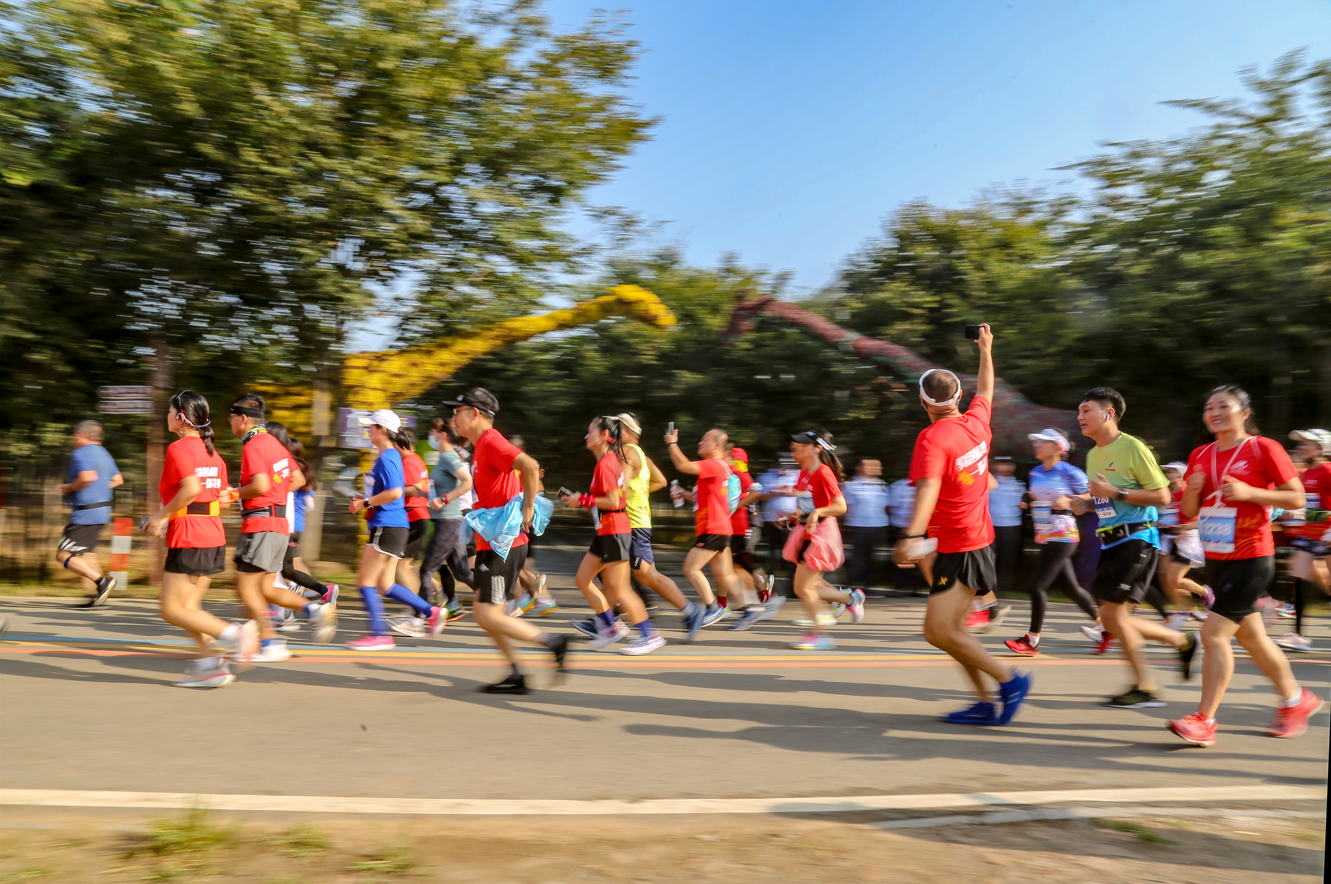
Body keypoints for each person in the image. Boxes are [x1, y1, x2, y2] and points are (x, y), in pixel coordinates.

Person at [1167, 386, 1323, 745]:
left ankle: (1204, 720)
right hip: (1217, 558)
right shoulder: (1200, 453)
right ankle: (1296, 701)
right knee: (1252, 638)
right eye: (1209, 407)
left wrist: (1253, 493)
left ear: (1244, 413)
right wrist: (1192, 491)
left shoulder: (1263, 448)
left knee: (1212, 634)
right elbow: (1188, 513)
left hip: (1253, 556)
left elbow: (1296, 497)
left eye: (1224, 405)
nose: (1214, 412)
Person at [894, 324, 1031, 726]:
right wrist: (986, 348)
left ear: (923, 400)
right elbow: (985, 391)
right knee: (954, 629)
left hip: (959, 545)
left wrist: (911, 535)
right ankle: (985, 702)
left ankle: (1009, 681)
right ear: (957, 397)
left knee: (938, 631)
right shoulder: (976, 422)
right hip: (969, 539)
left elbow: (929, 488)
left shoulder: (932, 438)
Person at [1068, 387, 1196, 709]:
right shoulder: (1093, 453)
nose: (1079, 417)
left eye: (1086, 410)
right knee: (1112, 620)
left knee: (1111, 615)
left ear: (1108, 414)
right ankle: (1181, 640)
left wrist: (1117, 492)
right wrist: (1085, 503)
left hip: (1137, 539)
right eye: (1079, 411)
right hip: (1110, 540)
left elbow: (1163, 497)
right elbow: (1104, 498)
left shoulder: (1133, 447)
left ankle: (1146, 687)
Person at [448, 388, 569, 694]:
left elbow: (529, 465)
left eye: (457, 412)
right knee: (485, 613)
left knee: (488, 614)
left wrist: (528, 506)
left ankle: (553, 642)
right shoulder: (481, 446)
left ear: (475, 413)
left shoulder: (490, 441)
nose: (453, 418)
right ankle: (516, 673)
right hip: (496, 543)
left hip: (505, 545)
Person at [142, 391, 260, 688]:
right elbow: (218, 494)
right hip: (212, 534)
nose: (166, 416)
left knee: (171, 609)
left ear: (181, 416)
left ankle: (237, 635)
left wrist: (162, 517)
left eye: (170, 411)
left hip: (190, 535)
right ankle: (210, 666)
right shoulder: (213, 454)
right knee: (190, 609)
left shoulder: (180, 448)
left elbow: (192, 489)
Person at [228, 394, 336, 662]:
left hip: (260, 523)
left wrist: (233, 494)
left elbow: (261, 486)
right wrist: (274, 496)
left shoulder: (253, 445)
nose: (229, 422)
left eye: (231, 417)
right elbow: (297, 478)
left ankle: (271, 642)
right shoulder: (276, 445)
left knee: (245, 589)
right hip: (279, 524)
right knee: (264, 587)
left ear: (243, 419)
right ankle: (313, 610)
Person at [343, 410, 447, 649]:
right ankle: (430, 611)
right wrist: (365, 498)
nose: (368, 430)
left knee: (365, 582)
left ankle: (379, 635)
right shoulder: (388, 456)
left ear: (382, 430)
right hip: (393, 525)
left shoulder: (388, 456)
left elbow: (396, 493)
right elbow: (389, 492)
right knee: (385, 585)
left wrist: (365, 503)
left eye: (371, 426)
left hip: (387, 525)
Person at [560, 416, 663, 655]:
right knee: (582, 580)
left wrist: (583, 499)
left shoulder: (607, 464)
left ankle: (650, 635)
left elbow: (614, 501)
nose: (586, 436)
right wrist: (583, 502)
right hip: (606, 529)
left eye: (590, 431)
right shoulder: (607, 462)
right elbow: (610, 500)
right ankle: (609, 626)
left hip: (615, 530)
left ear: (605, 436)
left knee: (621, 590)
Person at [612, 413, 710, 638]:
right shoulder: (642, 456)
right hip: (634, 522)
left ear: (627, 430)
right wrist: (640, 491)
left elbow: (621, 487)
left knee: (647, 576)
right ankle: (605, 620)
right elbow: (661, 481)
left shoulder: (627, 453)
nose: (613, 431)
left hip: (633, 523)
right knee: (612, 572)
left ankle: (690, 611)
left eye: (616, 427)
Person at [1003, 429, 1100, 656]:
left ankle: (1032, 640)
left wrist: (1068, 498)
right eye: (1035, 442)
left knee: (1036, 586)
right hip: (1044, 534)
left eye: (1042, 442)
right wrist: (1026, 498)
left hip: (1063, 534)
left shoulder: (1070, 472)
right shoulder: (1036, 472)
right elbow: (1037, 494)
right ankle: (1106, 626)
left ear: (1057, 447)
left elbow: (1095, 497)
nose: (1036, 445)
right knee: (1070, 588)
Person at [785, 430, 862, 649]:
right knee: (806, 586)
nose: (797, 447)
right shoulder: (803, 472)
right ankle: (847, 601)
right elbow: (804, 505)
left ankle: (821, 634)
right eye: (796, 444)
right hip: (806, 531)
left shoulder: (823, 472)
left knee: (804, 587)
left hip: (822, 532)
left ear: (817, 449)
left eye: (803, 444)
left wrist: (817, 513)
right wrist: (792, 518)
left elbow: (840, 506)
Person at [663, 426, 740, 638]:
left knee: (690, 568)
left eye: (704, 440)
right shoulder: (718, 467)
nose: (699, 442)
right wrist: (684, 494)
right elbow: (708, 498)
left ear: (717, 445)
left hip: (714, 529)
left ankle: (714, 608)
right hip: (717, 527)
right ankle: (746, 606)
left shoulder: (714, 465)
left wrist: (672, 443)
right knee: (724, 574)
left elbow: (682, 465)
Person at [264, 424, 338, 632]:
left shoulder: (284, 466)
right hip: (296, 525)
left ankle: (288, 607)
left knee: (278, 570)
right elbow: (311, 504)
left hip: (284, 524)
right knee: (289, 567)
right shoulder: (302, 470)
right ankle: (317, 592)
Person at [57, 420, 123, 607]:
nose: (74, 439)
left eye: (76, 435)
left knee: (63, 555)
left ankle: (102, 582)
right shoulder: (105, 454)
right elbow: (118, 479)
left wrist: (68, 487)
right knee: (87, 554)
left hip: (85, 514)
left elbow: (87, 477)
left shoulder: (81, 452)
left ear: (84, 435)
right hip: (102, 513)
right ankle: (98, 595)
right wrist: (100, 490)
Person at [1276, 429, 1331, 652]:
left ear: (1321, 448)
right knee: (1297, 576)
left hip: (1328, 535)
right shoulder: (1307, 474)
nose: (1301, 448)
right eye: (1301, 444)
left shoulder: (1328, 471)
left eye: (1306, 444)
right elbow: (1313, 507)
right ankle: (1298, 636)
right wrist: (1295, 514)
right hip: (1309, 535)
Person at [419, 417, 475, 622]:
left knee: (426, 570)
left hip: (449, 523)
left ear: (442, 435)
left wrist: (444, 499)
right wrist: (425, 493)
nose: (430, 436)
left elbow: (467, 481)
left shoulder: (448, 457)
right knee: (462, 573)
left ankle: (419, 618)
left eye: (433, 432)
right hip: (450, 522)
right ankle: (497, 598)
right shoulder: (444, 457)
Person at [725, 444, 778, 618]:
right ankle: (753, 599)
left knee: (744, 562)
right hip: (742, 524)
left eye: (732, 458)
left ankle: (767, 595)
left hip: (749, 523)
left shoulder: (739, 473)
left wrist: (735, 507)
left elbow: (756, 492)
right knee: (738, 563)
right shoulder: (732, 473)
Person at [1155, 461, 1208, 625]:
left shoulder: (1187, 492)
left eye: (1173, 472)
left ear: (1182, 475)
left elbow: (1201, 518)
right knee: (1164, 577)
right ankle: (1186, 610)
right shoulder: (1167, 493)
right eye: (1167, 472)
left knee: (1175, 579)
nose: (1169, 475)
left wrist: (1185, 527)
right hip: (1169, 538)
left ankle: (1205, 592)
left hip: (1188, 538)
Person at [842, 457, 889, 596]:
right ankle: (853, 587)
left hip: (877, 526)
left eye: (879, 466)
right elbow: (845, 507)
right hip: (858, 526)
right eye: (873, 466)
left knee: (871, 558)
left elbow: (887, 505)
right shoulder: (851, 485)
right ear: (860, 468)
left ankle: (868, 587)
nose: (878, 469)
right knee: (858, 558)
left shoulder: (881, 485)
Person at [988, 456, 1026, 596]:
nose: (1005, 467)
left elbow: (1025, 504)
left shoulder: (1019, 485)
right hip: (991, 526)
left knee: (1007, 559)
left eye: (1008, 465)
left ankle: (1003, 588)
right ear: (996, 466)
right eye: (1002, 464)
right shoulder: (990, 483)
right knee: (990, 558)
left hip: (1012, 526)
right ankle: (989, 586)